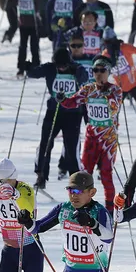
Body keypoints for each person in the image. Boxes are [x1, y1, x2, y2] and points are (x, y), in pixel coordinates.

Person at [58, 56, 123, 211]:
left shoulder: (115, 90)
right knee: (84, 175)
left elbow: (114, 108)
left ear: (108, 72)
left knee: (106, 176)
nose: (98, 74)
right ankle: (83, 208)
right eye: (95, 70)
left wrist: (106, 95)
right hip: (92, 138)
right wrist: (61, 99)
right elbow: (72, 102)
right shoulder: (88, 89)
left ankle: (109, 212)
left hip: (108, 140)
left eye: (102, 70)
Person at [26, 48, 88, 189]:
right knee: (45, 144)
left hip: (73, 113)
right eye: (59, 65)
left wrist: (76, 72)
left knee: (71, 147)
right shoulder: (50, 68)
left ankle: (76, 179)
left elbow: (85, 78)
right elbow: (34, 73)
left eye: (64, 65)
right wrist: (28, 68)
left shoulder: (77, 68)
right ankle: (41, 175)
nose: (61, 67)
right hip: (54, 111)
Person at [4, 0, 44, 76]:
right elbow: (8, 6)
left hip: (34, 24)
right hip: (23, 25)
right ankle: (21, 68)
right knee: (22, 47)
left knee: (34, 46)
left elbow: (39, 3)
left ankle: (36, 67)